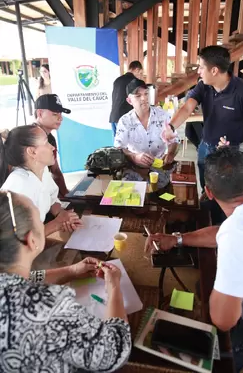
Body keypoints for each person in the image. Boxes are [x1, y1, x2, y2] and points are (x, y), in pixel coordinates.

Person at [145, 148, 243, 371]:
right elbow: (223, 231)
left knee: (204, 331)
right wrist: (177, 239)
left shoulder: (237, 234)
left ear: (208, 192)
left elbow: (223, 319)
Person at [0, 190, 131, 372]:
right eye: (40, 219)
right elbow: (114, 351)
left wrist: (71, 271)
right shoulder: (51, 307)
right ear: (32, 240)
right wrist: (114, 285)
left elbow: (28, 279)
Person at [163, 45, 243, 189]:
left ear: (214, 70)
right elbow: (187, 107)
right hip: (205, 143)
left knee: (222, 189)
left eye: (201, 67)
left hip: (228, 151)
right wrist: (171, 127)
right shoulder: (204, 86)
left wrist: (240, 129)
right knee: (205, 185)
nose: (198, 71)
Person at [0, 125, 82, 236]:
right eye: (46, 143)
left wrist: (64, 215)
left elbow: (52, 200)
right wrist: (57, 223)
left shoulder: (42, 171)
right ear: (32, 152)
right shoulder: (17, 187)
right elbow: (20, 241)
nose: (52, 147)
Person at [114, 78, 179, 188]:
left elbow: (175, 140)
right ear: (129, 101)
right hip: (134, 170)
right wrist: (134, 157)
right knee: (135, 202)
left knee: (164, 201)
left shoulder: (163, 116)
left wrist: (171, 153)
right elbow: (119, 148)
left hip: (161, 169)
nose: (144, 98)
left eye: (146, 94)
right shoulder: (125, 121)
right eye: (138, 96)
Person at [35, 94, 70, 197]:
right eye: (55, 114)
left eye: (60, 114)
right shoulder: (31, 138)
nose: (60, 118)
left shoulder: (50, 138)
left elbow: (55, 171)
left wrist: (67, 196)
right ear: (40, 113)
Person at [109, 60, 143, 136]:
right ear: (137, 70)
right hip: (124, 118)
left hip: (114, 117)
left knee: (117, 145)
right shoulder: (135, 81)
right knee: (127, 145)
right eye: (140, 73)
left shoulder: (117, 80)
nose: (140, 76)